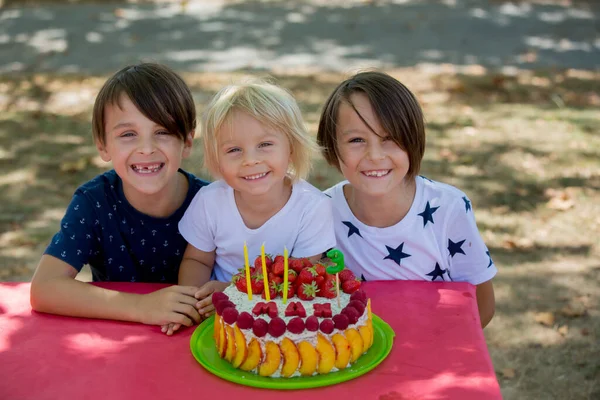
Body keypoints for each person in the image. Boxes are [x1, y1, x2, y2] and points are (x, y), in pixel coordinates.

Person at [30, 63, 211, 333]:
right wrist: (141, 307)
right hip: (116, 341)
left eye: (162, 132)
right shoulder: (94, 203)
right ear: (103, 145)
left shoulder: (214, 203)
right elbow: (44, 288)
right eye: (128, 134)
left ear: (186, 141)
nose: (147, 149)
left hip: (193, 343)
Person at [317, 71, 496, 328]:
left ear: (412, 139)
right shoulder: (320, 211)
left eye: (389, 138)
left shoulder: (449, 207)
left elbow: (482, 307)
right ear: (332, 147)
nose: (375, 155)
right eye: (356, 140)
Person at [177, 80, 336, 321]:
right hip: (219, 316)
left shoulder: (312, 208)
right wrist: (194, 301)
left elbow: (296, 280)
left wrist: (234, 292)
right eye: (234, 150)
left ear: (291, 148)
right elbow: (197, 259)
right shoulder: (209, 201)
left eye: (265, 145)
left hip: (282, 317)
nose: (250, 160)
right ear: (217, 158)